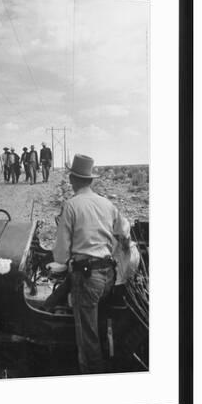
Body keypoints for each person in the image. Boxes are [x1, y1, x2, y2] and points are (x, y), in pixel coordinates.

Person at [48, 154, 130, 374]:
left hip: (87, 277)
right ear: (91, 180)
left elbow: (61, 253)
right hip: (109, 275)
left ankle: (93, 377)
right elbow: (124, 233)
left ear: (73, 179)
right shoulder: (107, 204)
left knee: (87, 336)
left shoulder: (71, 205)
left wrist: (63, 262)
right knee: (98, 320)